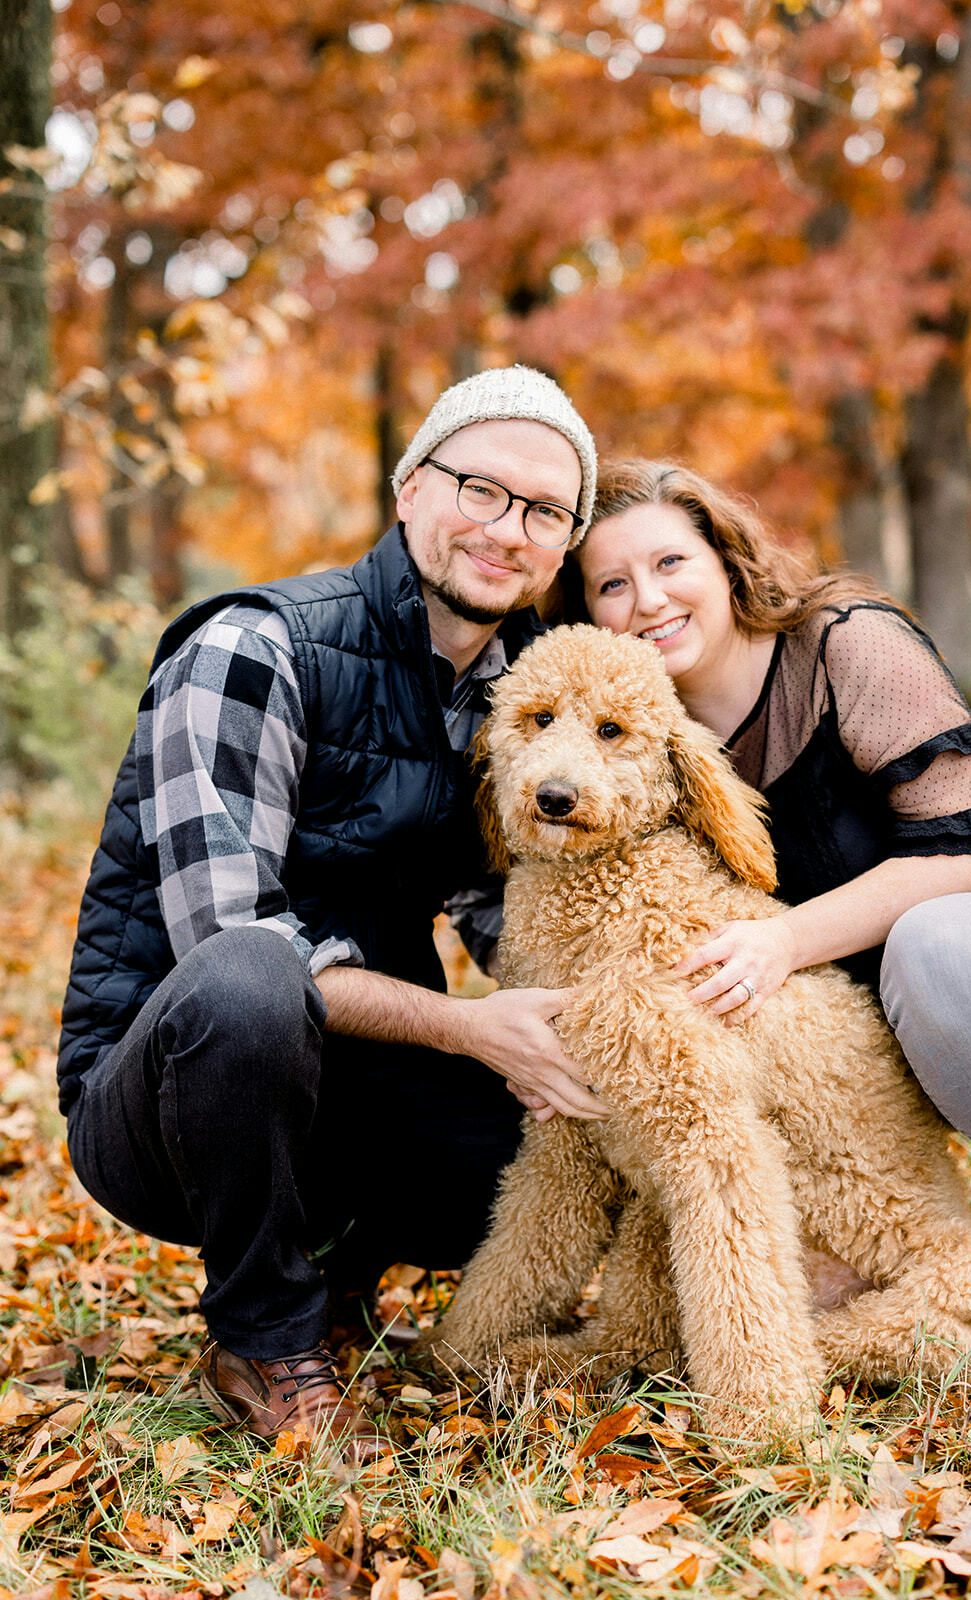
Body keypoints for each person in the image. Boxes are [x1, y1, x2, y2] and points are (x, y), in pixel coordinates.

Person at [57, 365, 606, 1454]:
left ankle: (340, 1262)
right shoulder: (252, 649)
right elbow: (223, 938)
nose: (508, 529)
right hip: (161, 1095)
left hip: (359, 1088)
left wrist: (626, 1003)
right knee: (255, 978)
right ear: (409, 488)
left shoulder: (517, 700)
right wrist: (465, 1026)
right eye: (481, 489)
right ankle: (264, 1333)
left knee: (595, 1111)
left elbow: (505, 914)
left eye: (546, 511)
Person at [571, 458, 971, 1404]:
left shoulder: (846, 646)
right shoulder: (633, 730)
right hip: (874, 1037)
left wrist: (782, 943)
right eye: (612, 585)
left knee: (938, 941)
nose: (647, 600)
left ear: (724, 559)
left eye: (670, 562)